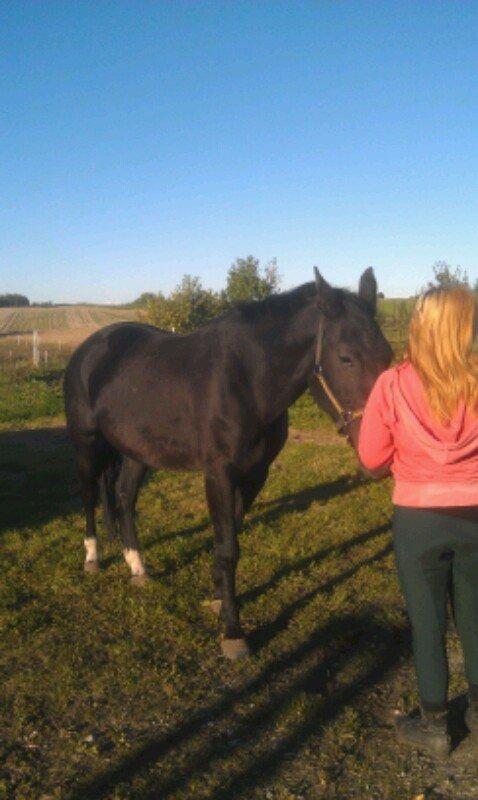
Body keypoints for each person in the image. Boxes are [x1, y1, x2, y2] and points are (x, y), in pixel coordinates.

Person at [358, 284, 478, 759]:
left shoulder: (391, 385)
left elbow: (370, 457)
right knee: (476, 613)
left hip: (418, 520)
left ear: (420, 327)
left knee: (426, 620)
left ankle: (434, 725)